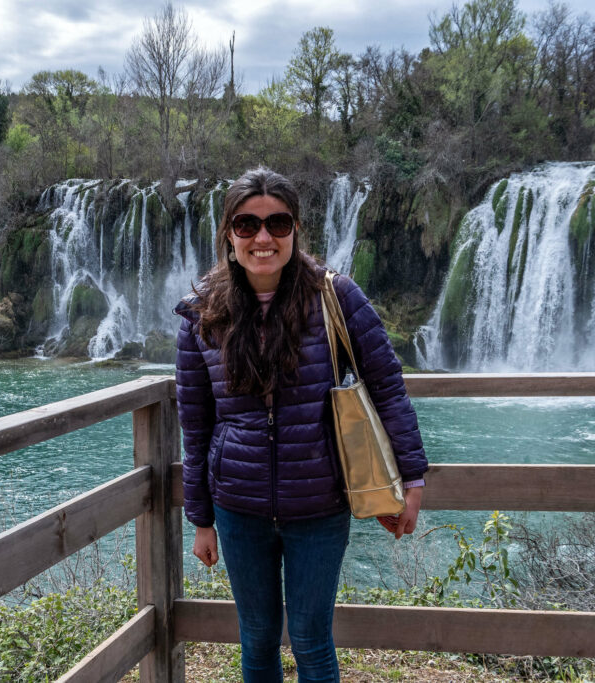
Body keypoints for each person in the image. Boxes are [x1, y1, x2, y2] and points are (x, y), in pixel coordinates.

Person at [174, 167, 428, 682]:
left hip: (319, 504)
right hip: (238, 508)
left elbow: (387, 386)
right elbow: (196, 424)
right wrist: (201, 519)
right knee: (258, 639)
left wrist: (412, 479)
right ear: (229, 233)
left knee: (312, 640)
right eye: (247, 225)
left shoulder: (335, 297)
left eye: (278, 223)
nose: (263, 238)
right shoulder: (202, 313)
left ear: (295, 230)